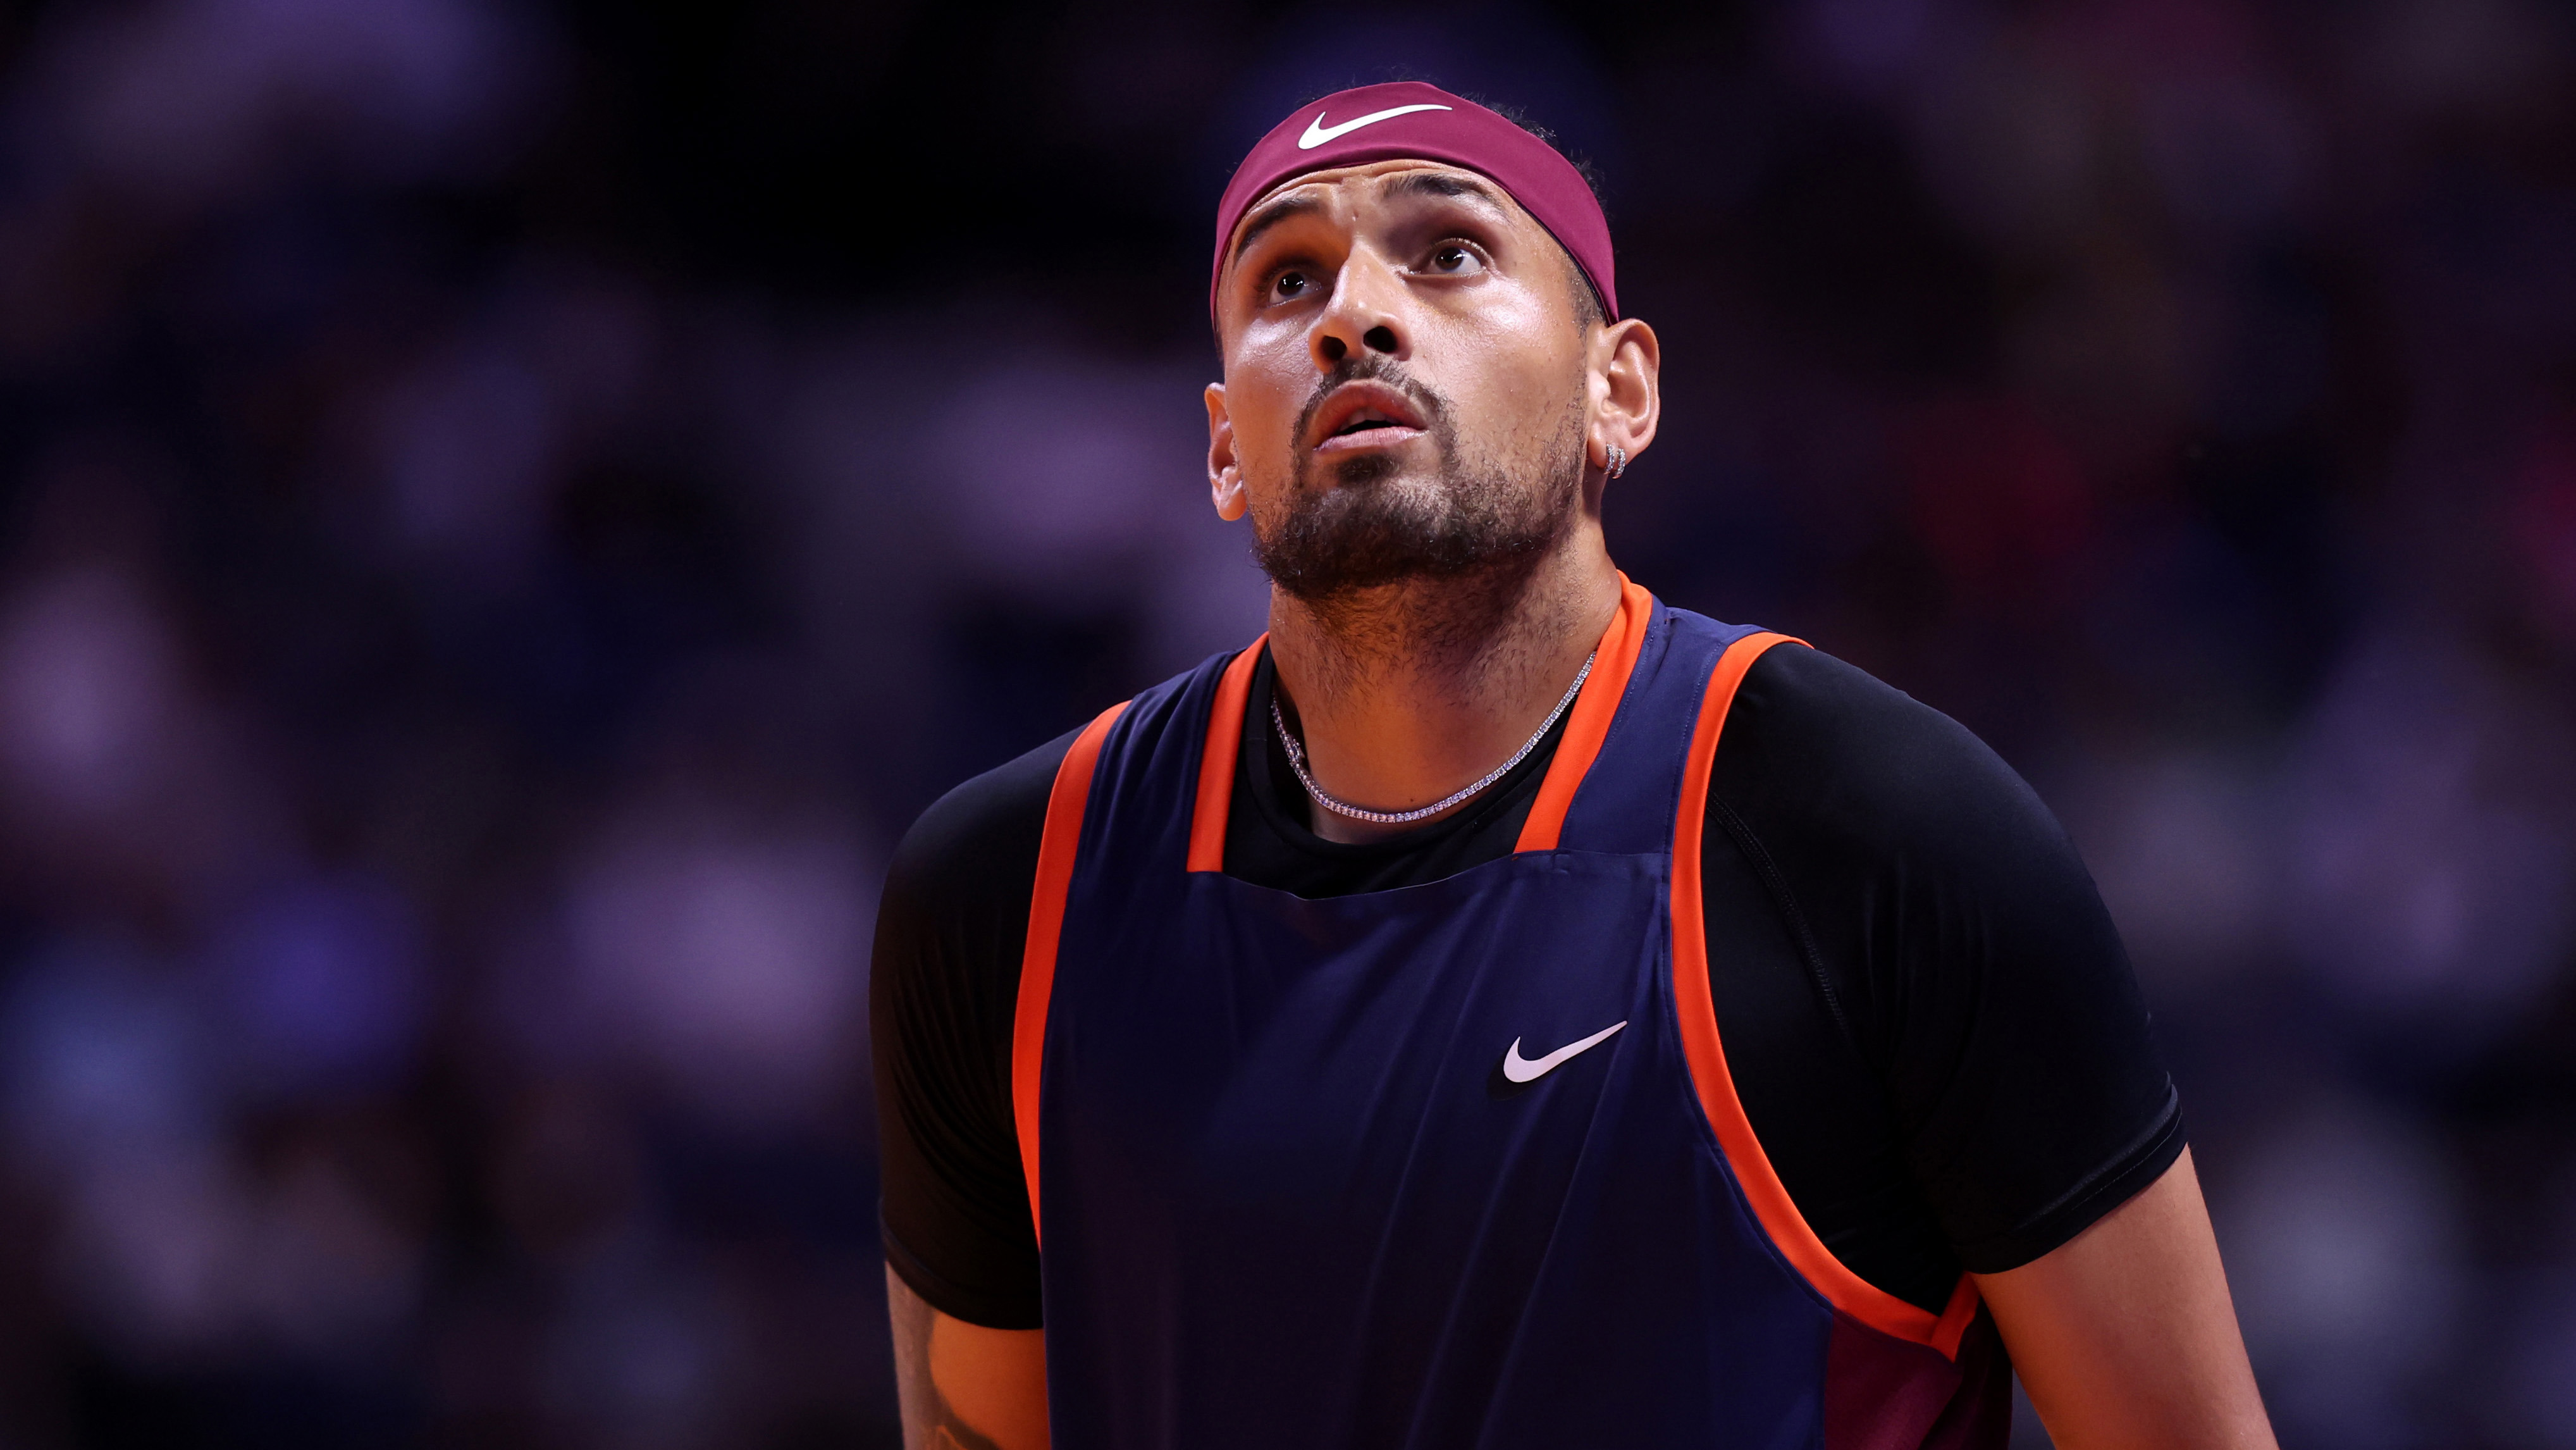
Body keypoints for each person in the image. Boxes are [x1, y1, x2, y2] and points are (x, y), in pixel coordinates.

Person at [870, 80, 2277, 1450]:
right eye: (1286, 283)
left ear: (1622, 391)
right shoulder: (1009, 891)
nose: (1355, 312)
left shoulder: (1872, 833)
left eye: (1451, 253)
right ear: (1226, 448)